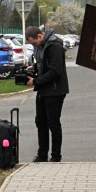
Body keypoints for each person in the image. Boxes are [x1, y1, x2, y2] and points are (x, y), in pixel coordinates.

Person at [24, 25, 69, 162]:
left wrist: (35, 81)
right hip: (43, 90)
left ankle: (56, 156)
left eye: (34, 43)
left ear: (40, 36)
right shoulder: (41, 46)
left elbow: (55, 71)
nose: (34, 46)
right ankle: (42, 154)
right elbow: (43, 63)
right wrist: (34, 68)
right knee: (40, 121)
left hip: (55, 90)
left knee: (53, 123)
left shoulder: (54, 46)